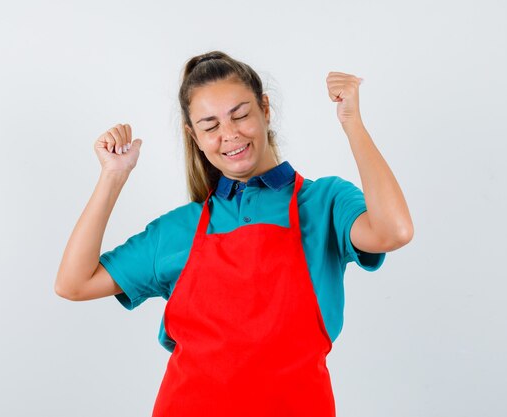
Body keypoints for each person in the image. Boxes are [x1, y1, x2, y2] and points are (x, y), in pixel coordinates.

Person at [55, 50, 414, 416]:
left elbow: (394, 231)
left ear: (265, 109)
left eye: (241, 115)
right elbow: (74, 283)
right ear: (193, 135)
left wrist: (352, 122)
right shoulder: (182, 228)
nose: (230, 135)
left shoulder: (325, 203)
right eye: (210, 126)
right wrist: (113, 175)